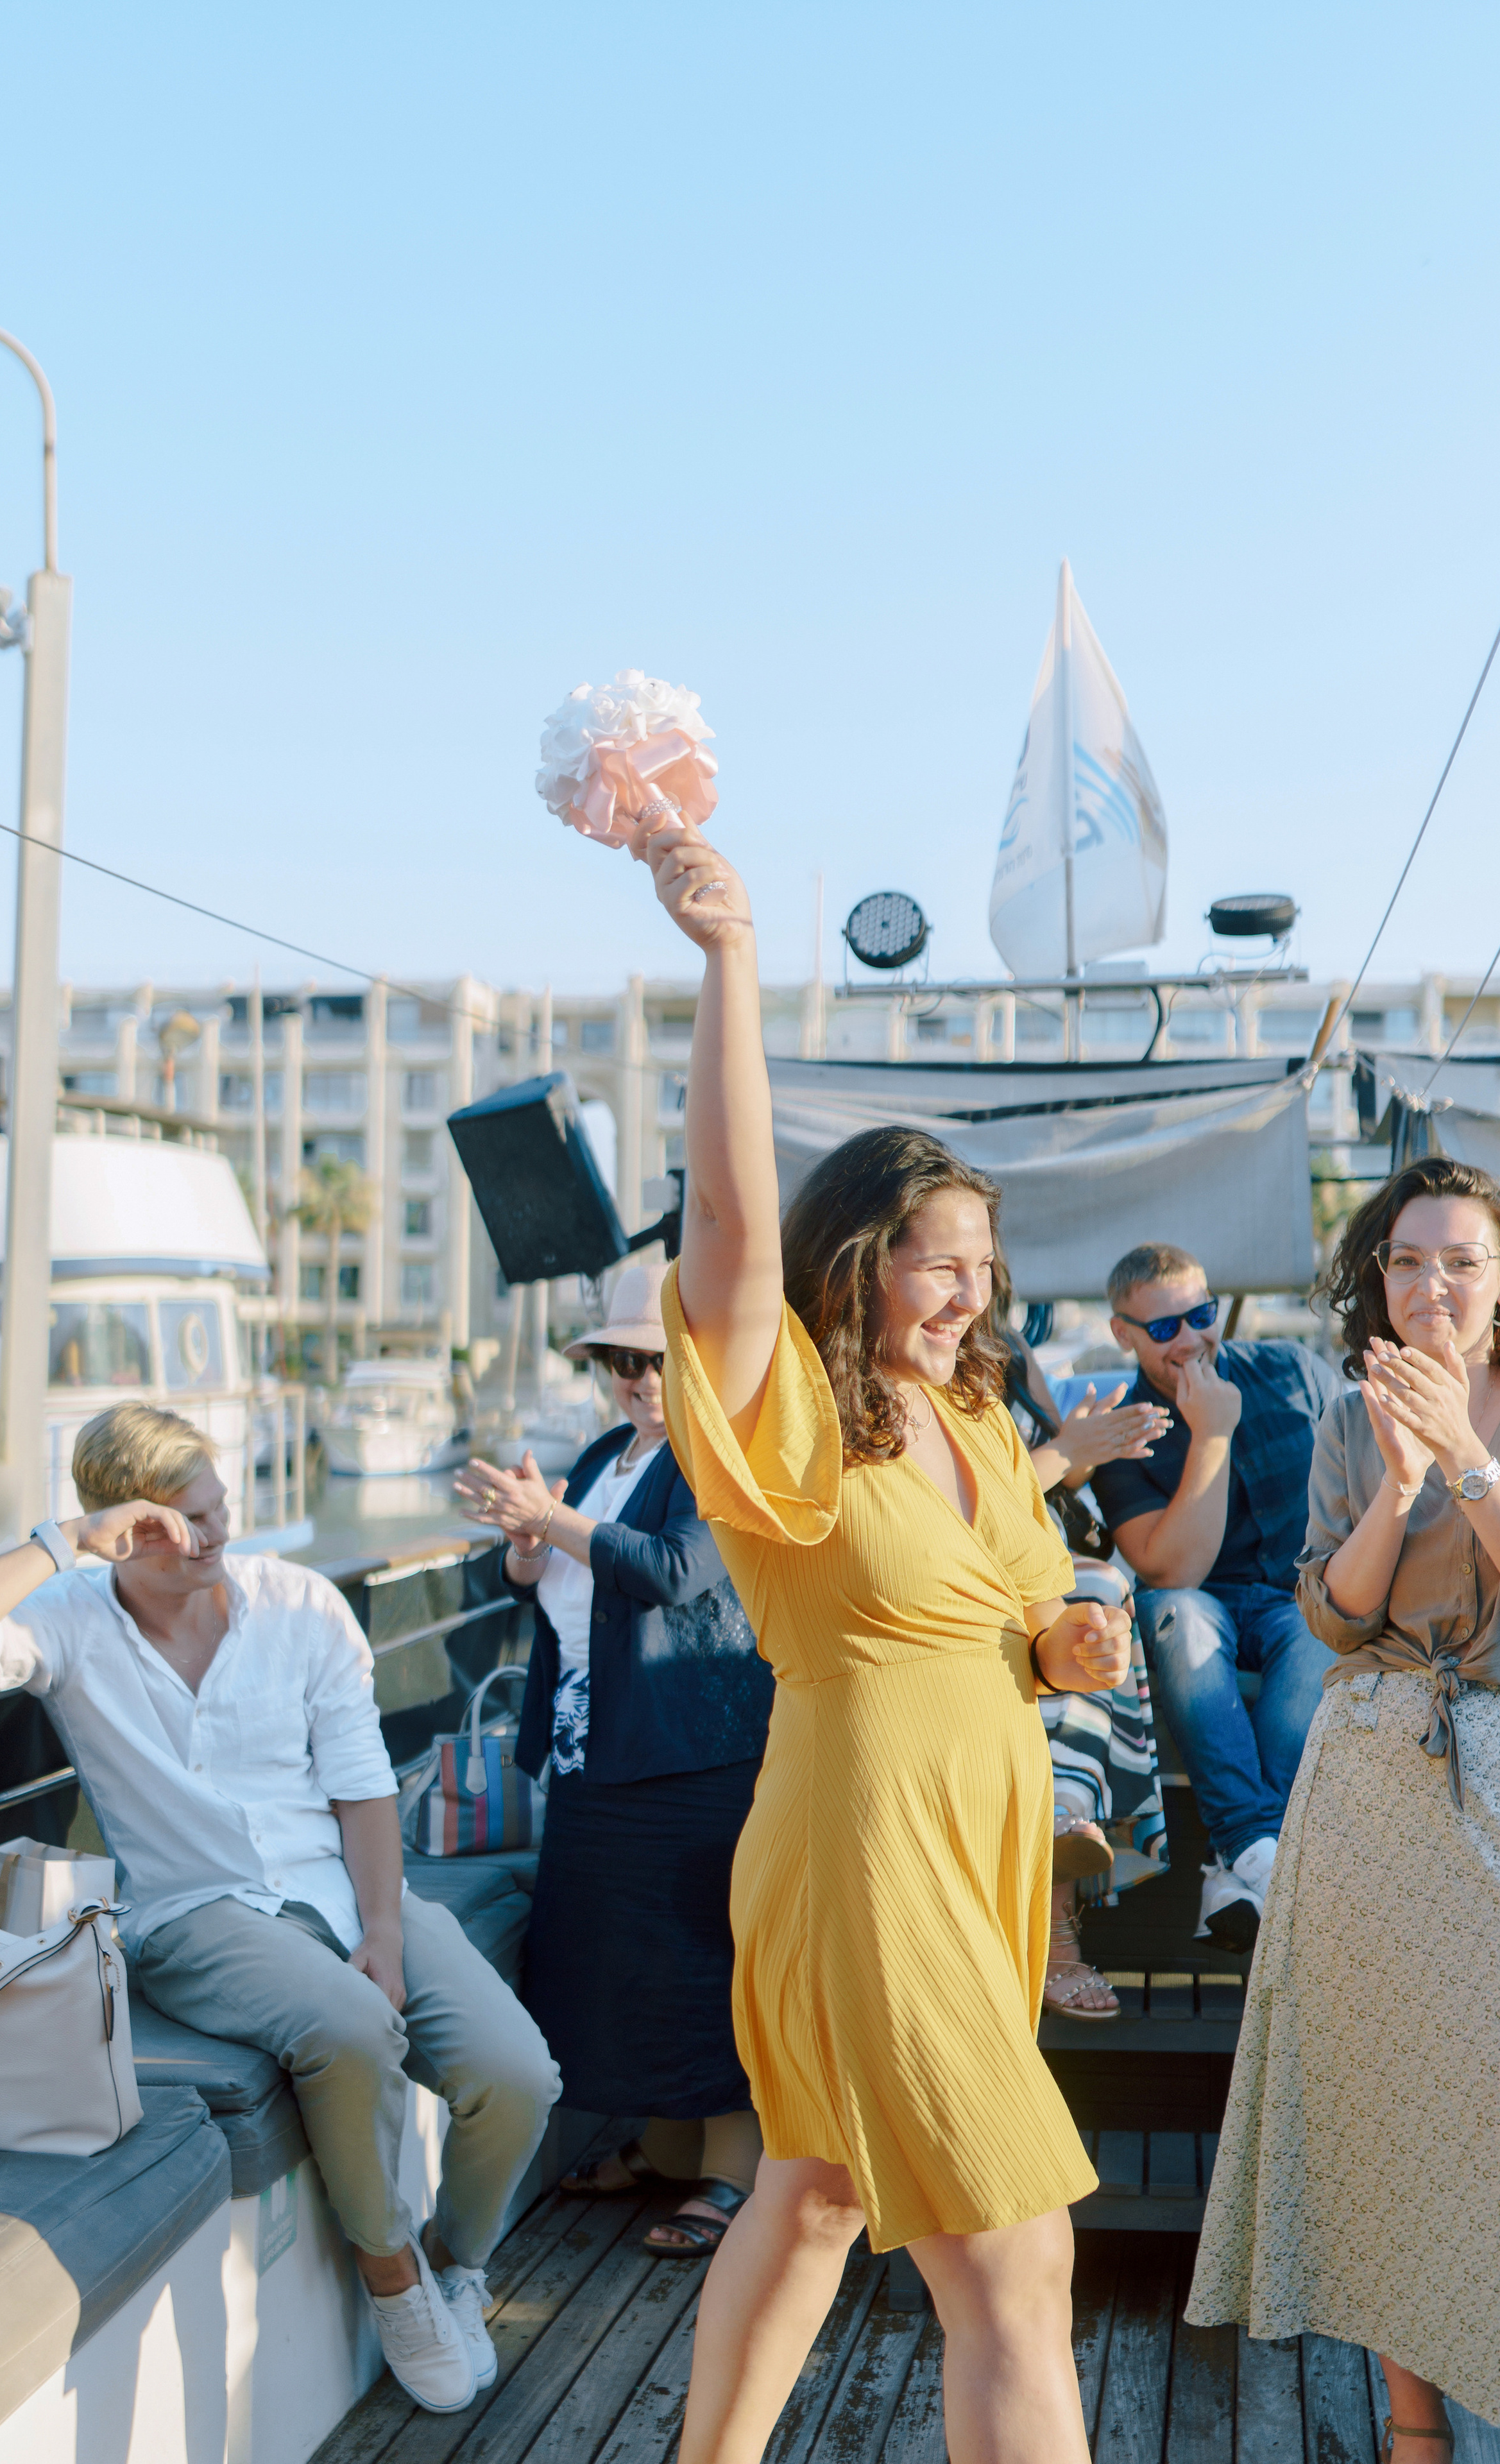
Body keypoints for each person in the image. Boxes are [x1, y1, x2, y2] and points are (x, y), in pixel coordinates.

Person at [621, 807, 1132, 2464]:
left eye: (987, 1262)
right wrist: (732, 965)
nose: (972, 1289)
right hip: (867, 1849)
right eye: (938, 1260)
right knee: (1016, 2247)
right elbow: (730, 1233)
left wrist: (1067, 1653)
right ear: (860, 1258)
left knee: (821, 2188)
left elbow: (1030, 1607)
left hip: (973, 1848)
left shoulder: (975, 1423)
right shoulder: (790, 1418)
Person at [0, 1403, 560, 2418]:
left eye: (218, 1509)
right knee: (349, 2029)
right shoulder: (69, 1617)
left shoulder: (298, 1604)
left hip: (341, 1887)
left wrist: (382, 1934)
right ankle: (394, 2289)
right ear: (124, 1527)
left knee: (519, 2076)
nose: (214, 1537)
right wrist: (64, 1541)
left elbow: (362, 1783)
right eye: (182, 1523)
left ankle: (451, 2264)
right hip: (191, 1916)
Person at [1187, 1155, 1500, 2460]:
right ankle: (1411, 2428)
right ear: (1372, 1282)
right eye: (1403, 1260)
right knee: (1382, 2119)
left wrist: (1460, 1459)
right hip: (1366, 1770)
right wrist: (1392, 1476)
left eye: (1458, 1260)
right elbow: (1333, 1612)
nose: (1429, 1283)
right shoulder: (1342, 1412)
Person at [453, 1258, 774, 2259]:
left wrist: (551, 1521)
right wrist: (522, 1546)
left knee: (699, 1969)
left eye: (656, 1361)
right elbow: (549, 1579)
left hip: (692, 1759)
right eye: (618, 1363)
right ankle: (660, 2149)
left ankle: (729, 2176)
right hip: (596, 1753)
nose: (637, 1381)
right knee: (608, 1966)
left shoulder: (727, 1458)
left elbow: (674, 1573)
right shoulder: (604, 1453)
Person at [1089, 1242, 1338, 1949]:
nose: (1192, 1338)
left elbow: (1360, 1485)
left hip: (1300, 1593)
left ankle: (1241, 1864)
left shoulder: (1292, 1370)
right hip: (1200, 1603)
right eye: (1164, 1328)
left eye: (1201, 1314)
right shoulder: (1125, 1430)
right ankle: (1267, 1857)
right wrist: (1211, 1436)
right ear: (1123, 1334)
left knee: (1315, 1628)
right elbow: (1170, 1572)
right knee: (1176, 1614)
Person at [993, 1270, 1171, 2021]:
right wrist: (1067, 1451)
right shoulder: (888, 1369)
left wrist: (1087, 1453)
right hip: (963, 1573)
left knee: (1099, 1604)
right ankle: (1059, 1908)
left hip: (1042, 1563)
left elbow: (1049, 1484)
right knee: (1094, 1595)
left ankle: (1064, 1842)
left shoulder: (1004, 1347)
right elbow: (960, 1507)